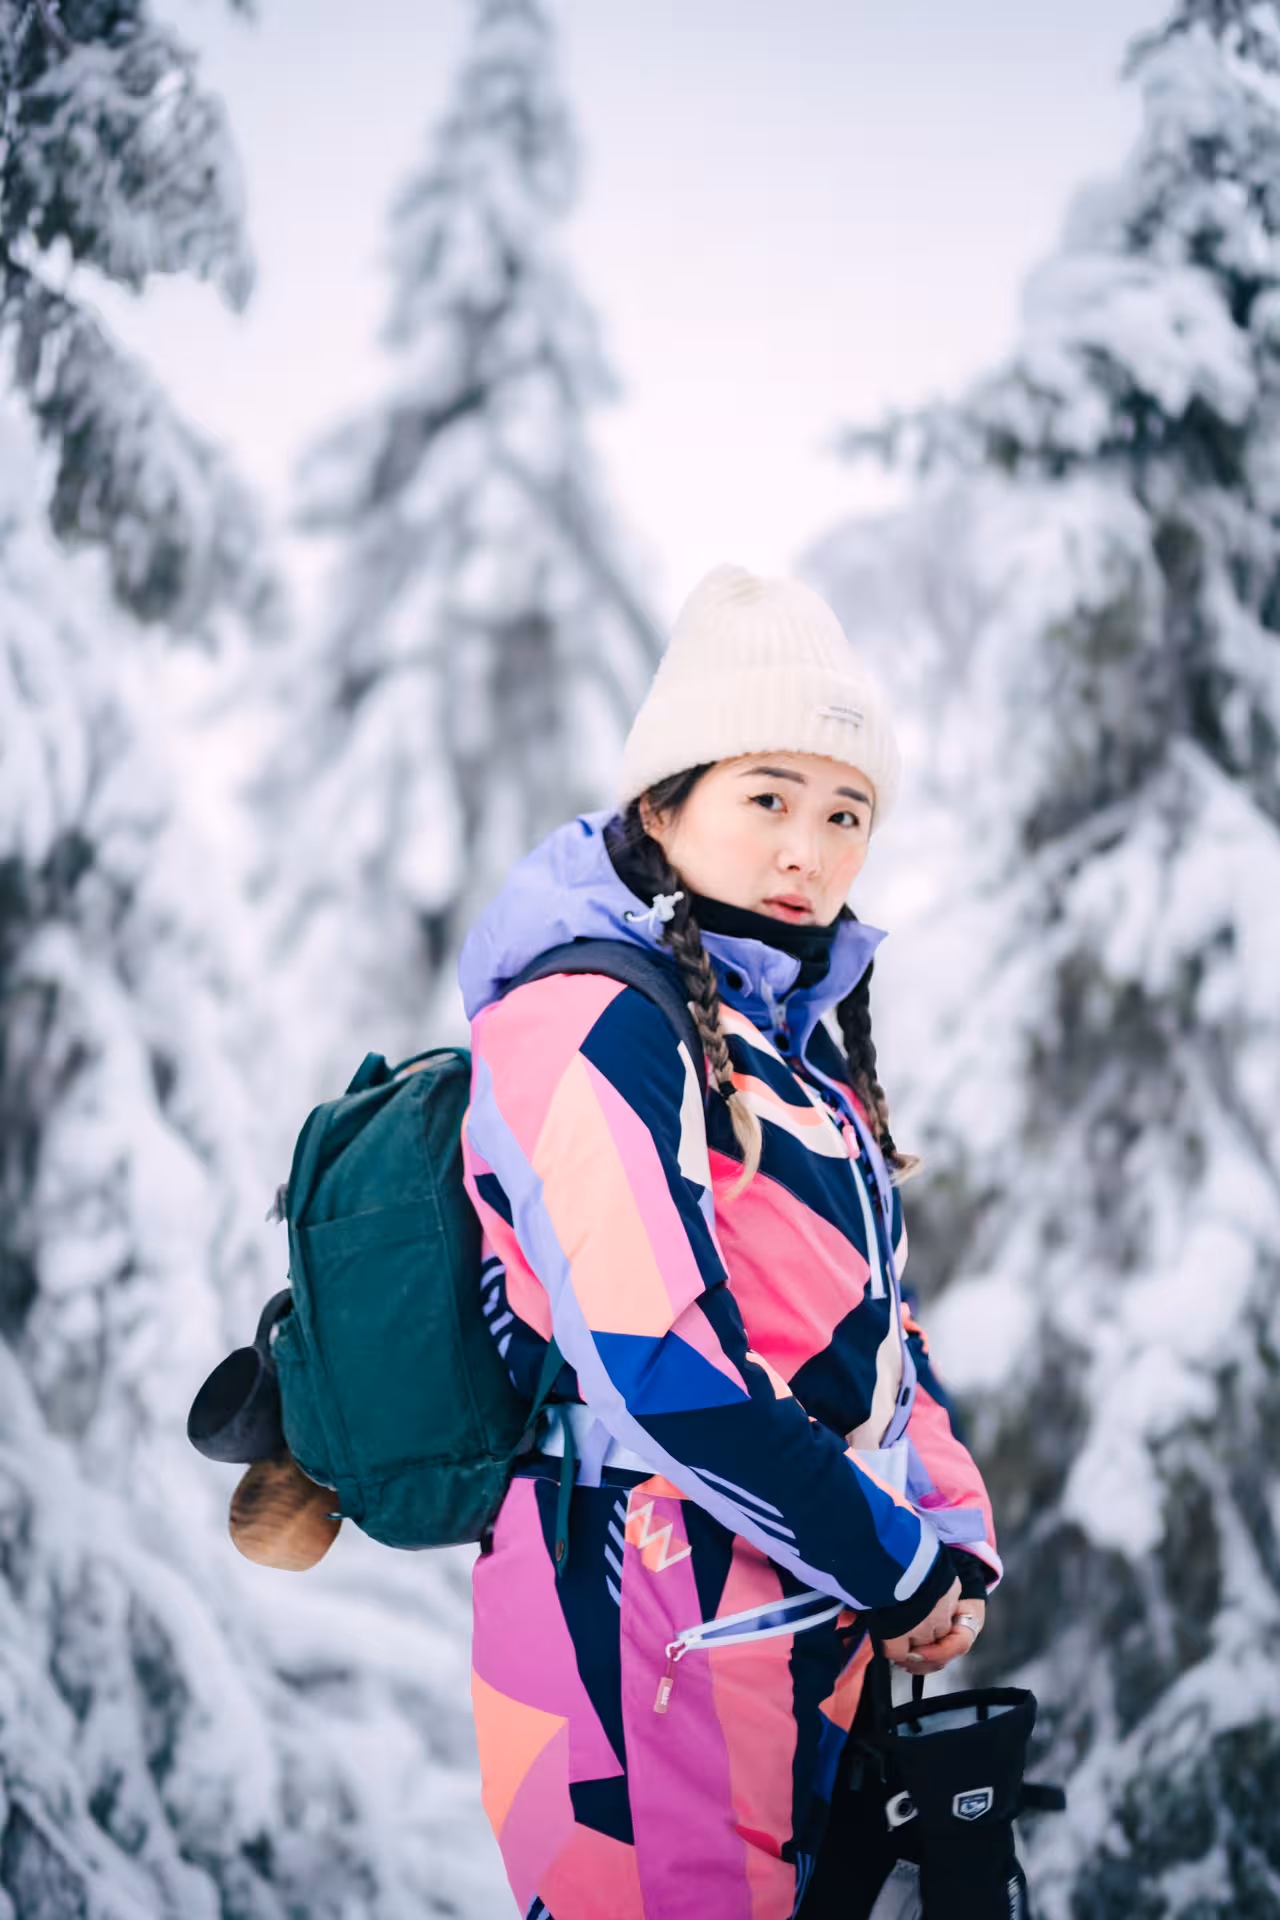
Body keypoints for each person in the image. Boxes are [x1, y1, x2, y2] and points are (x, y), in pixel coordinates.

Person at [458, 563, 1000, 1920]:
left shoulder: (790, 1059)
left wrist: (948, 1538)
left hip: (797, 1621)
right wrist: (895, 1564)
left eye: (845, 813)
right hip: (636, 1629)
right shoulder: (589, 1023)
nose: (808, 850)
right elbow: (660, 1366)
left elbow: (878, 1330)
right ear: (662, 801)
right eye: (768, 798)